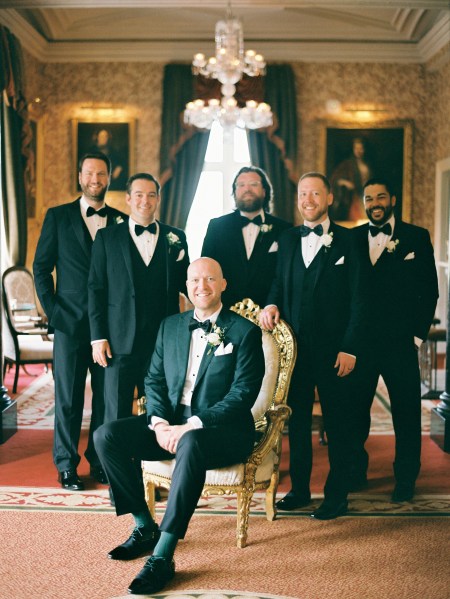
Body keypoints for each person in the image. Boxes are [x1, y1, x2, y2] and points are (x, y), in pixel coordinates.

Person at [94, 257, 264, 594]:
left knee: (192, 443)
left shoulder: (245, 332)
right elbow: (153, 379)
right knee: (106, 436)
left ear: (223, 284)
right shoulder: (170, 326)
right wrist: (158, 423)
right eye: (195, 280)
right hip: (170, 424)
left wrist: (193, 426)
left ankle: (163, 555)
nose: (202, 286)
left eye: (210, 279)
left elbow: (242, 394)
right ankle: (144, 527)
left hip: (224, 431)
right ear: (187, 286)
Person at [259, 172, 368, 520]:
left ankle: (337, 496)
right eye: (303, 194)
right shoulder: (288, 239)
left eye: (315, 194)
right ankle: (301, 490)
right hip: (295, 353)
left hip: (336, 353)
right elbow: (278, 282)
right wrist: (271, 304)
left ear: (329, 198)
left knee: (338, 424)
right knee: (298, 422)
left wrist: (350, 347)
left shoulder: (350, 241)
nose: (308, 200)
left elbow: (359, 299)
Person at [33, 152, 127, 491]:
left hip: (111, 328)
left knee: (107, 399)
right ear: (79, 176)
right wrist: (55, 313)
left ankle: (101, 461)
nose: (95, 180)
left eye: (101, 174)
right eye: (89, 173)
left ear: (109, 177)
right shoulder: (57, 217)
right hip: (70, 324)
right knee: (69, 400)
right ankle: (66, 465)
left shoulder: (121, 220)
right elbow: (41, 268)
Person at [351, 178, 439, 501]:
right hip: (359, 344)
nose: (374, 202)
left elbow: (429, 290)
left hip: (400, 343)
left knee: (405, 412)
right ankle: (355, 472)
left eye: (380, 197)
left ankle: (405, 479)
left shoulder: (416, 236)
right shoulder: (353, 238)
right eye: (369, 197)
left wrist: (416, 337)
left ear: (393, 200)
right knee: (356, 411)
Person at [88, 172, 190, 421]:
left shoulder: (176, 238)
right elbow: (95, 288)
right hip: (118, 341)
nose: (146, 200)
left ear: (158, 199)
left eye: (151, 195)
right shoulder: (107, 238)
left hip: (162, 341)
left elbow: (186, 284)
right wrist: (98, 337)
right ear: (128, 199)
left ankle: (154, 459)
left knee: (160, 409)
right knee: (116, 410)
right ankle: (109, 461)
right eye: (139, 195)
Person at [201, 166, 291, 308]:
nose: (247, 189)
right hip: (225, 310)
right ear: (235, 192)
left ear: (264, 191)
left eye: (254, 184)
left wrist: (273, 305)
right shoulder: (216, 226)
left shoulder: (284, 229)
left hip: (269, 314)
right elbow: (206, 271)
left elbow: (286, 275)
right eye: (241, 185)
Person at [330, 137, 373, 222]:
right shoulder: (348, 164)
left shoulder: (367, 164)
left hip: (367, 196)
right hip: (354, 197)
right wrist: (345, 183)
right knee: (356, 219)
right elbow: (335, 179)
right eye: (356, 148)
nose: (359, 151)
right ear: (353, 149)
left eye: (361, 148)